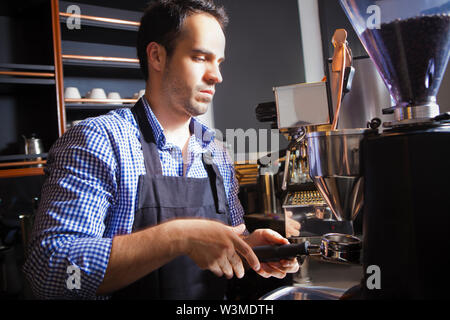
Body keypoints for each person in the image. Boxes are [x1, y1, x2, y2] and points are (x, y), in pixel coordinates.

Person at [23, 0, 299, 300]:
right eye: (199, 57)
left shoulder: (215, 152)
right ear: (157, 56)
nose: (216, 76)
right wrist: (178, 236)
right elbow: (49, 270)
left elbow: (228, 240)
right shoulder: (99, 140)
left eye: (218, 62)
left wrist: (249, 247)